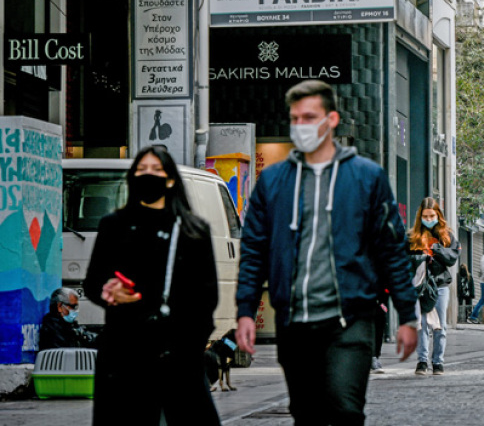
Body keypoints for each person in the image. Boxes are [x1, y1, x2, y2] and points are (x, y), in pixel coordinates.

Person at [236, 80, 418, 425]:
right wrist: (246, 310)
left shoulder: (367, 177)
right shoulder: (273, 181)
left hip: (350, 318)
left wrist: (407, 314)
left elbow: (391, 249)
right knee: (306, 415)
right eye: (295, 118)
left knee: (345, 409)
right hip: (295, 322)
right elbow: (254, 250)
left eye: (309, 117)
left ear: (331, 119)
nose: (301, 126)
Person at [83, 146, 220, 425]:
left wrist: (192, 347)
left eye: (156, 170)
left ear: (170, 180)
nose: (149, 176)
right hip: (124, 351)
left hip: (178, 352)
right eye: (142, 170)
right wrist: (109, 291)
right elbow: (93, 282)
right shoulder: (114, 225)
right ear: (132, 177)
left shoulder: (192, 230)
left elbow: (207, 296)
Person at [409, 197, 460, 375]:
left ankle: (438, 361)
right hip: (421, 285)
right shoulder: (413, 236)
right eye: (425, 216)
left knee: (440, 325)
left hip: (440, 283)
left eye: (432, 215)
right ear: (420, 216)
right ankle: (422, 361)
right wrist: (420, 256)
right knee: (422, 323)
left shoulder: (447, 235)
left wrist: (435, 250)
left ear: (438, 215)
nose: (429, 219)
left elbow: (452, 258)